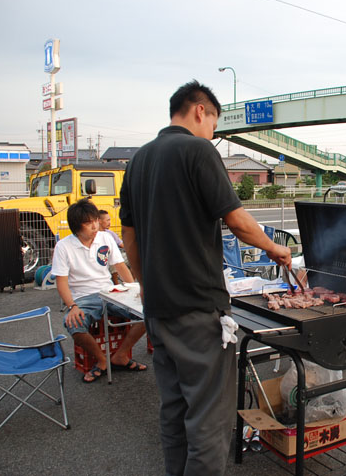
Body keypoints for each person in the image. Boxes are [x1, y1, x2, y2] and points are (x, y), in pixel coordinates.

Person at [119, 80, 291, 476]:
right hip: (198, 308)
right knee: (210, 422)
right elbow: (236, 219)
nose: (213, 132)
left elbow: (130, 237)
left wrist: (146, 286)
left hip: (158, 311)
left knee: (175, 411)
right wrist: (274, 247)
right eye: (214, 122)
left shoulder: (139, 160)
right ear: (200, 111)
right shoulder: (198, 150)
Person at [51, 199, 147, 383]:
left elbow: (120, 266)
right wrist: (72, 306)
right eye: (88, 223)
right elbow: (61, 282)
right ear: (76, 227)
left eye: (95, 220)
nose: (95, 226)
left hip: (110, 291)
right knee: (72, 324)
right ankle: (102, 361)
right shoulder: (63, 247)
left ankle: (120, 355)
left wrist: (136, 289)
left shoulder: (105, 238)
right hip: (83, 297)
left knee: (148, 312)